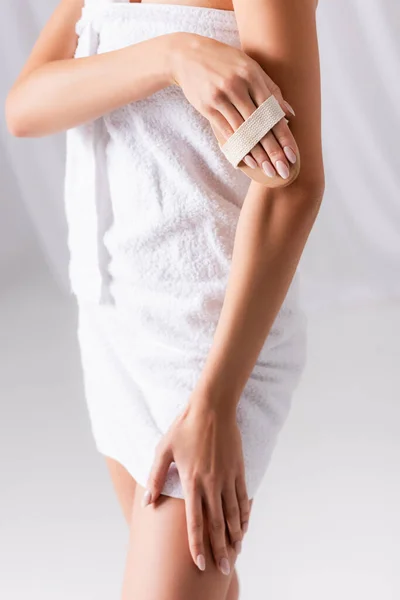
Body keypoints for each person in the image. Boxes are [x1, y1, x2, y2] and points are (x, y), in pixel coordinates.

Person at [6, 0, 324, 598]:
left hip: (212, 344)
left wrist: (216, 399)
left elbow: (294, 185)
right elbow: (25, 105)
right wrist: (170, 56)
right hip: (114, 326)